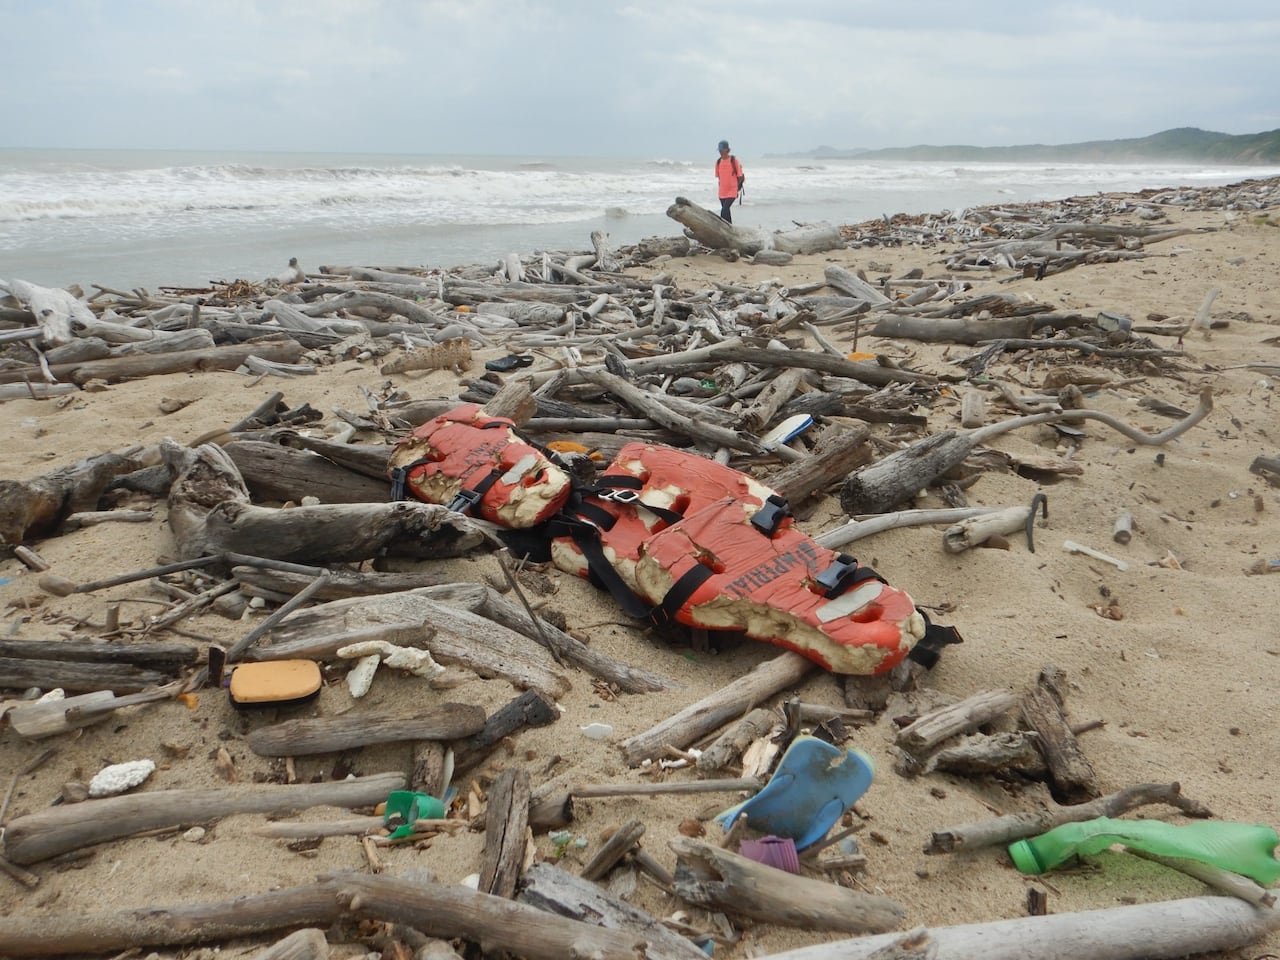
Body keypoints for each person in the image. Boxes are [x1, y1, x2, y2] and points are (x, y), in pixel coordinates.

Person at [714, 140, 744, 223]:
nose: (720, 152)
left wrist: (736, 189)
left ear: (727, 150)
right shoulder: (718, 162)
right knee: (726, 213)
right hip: (722, 192)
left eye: (722, 149)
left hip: (732, 190)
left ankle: (724, 228)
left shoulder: (733, 160)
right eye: (719, 150)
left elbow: (740, 176)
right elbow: (719, 178)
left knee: (724, 210)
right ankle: (730, 228)